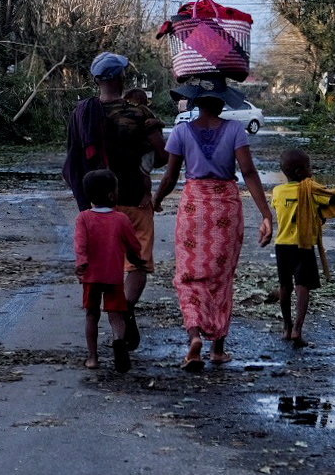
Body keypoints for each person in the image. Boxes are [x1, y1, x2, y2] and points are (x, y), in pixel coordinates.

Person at [152, 75, 274, 372]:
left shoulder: (181, 131)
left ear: (195, 102)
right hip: (225, 209)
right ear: (222, 103)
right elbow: (249, 172)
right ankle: (217, 349)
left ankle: (194, 336)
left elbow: (170, 176)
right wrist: (266, 214)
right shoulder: (235, 130)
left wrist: (156, 200)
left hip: (194, 208)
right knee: (221, 277)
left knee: (189, 275)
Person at [270, 148, 335, 347]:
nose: (312, 170)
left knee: (284, 286)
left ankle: (287, 328)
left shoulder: (277, 192)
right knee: (302, 287)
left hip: (282, 245)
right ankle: (298, 330)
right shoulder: (311, 189)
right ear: (299, 172)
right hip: (303, 245)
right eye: (308, 166)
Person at [97, 85, 167, 353]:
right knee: (137, 261)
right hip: (137, 198)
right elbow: (162, 155)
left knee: (109, 262)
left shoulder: (89, 113)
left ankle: (118, 322)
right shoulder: (142, 116)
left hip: (102, 199)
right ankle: (125, 308)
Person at [75, 168, 149, 372]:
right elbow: (133, 244)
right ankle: (119, 341)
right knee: (116, 314)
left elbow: (80, 244)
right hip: (113, 276)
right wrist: (136, 258)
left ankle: (92, 358)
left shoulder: (83, 218)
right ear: (111, 195)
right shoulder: (121, 219)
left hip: (91, 276)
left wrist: (82, 263)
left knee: (92, 315)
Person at [63, 52, 130, 211]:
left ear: (96, 80)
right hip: (131, 198)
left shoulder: (80, 112)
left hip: (95, 199)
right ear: (121, 78)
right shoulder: (137, 113)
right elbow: (158, 158)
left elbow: (73, 158)